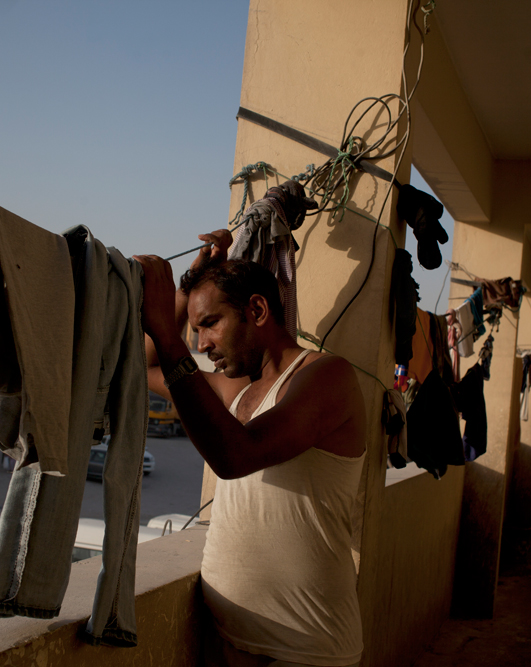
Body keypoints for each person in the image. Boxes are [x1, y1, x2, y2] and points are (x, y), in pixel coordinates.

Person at [132, 229, 366, 667]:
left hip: (306, 649)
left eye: (210, 324)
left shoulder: (327, 377)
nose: (200, 344)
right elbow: (142, 361)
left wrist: (169, 334)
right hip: (229, 638)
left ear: (256, 309)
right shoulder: (235, 389)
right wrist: (190, 283)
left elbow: (235, 457)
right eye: (194, 331)